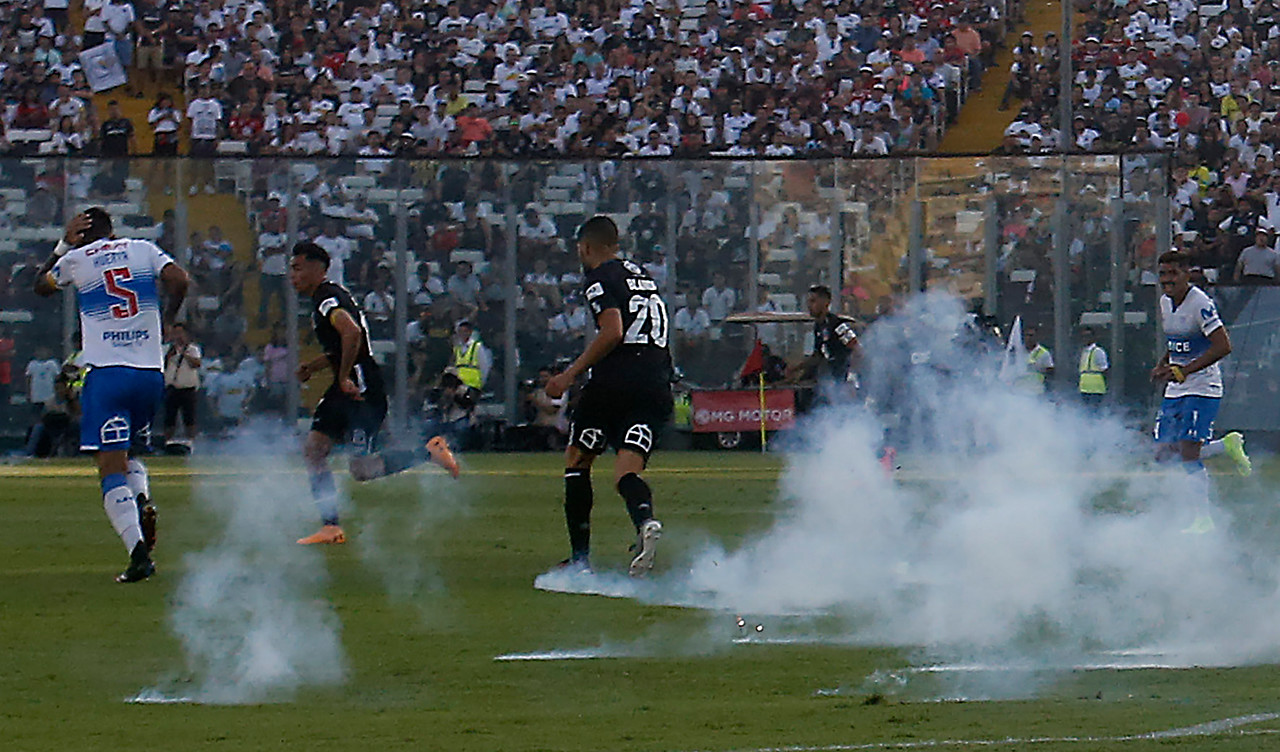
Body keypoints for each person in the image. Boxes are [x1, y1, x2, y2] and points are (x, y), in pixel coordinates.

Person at [33, 207, 190, 583]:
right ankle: (141, 499)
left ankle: (138, 556)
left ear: (81, 234)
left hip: (107, 375)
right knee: (130, 452)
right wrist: (169, 317)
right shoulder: (143, 249)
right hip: (149, 375)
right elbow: (180, 279)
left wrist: (61, 244)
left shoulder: (76, 258)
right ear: (112, 229)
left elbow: (40, 286)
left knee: (109, 467)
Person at [288, 242, 459, 546]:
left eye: (298, 268)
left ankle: (429, 451)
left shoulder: (327, 298)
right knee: (314, 451)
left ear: (318, 268)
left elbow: (352, 333)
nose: (292, 275)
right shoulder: (327, 296)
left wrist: (342, 378)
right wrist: (315, 367)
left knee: (361, 469)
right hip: (352, 384)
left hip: (360, 387)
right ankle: (330, 527)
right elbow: (345, 343)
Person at [545, 216, 673, 576]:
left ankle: (580, 560)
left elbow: (613, 330)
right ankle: (645, 522)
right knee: (626, 471)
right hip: (656, 380)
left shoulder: (599, 277)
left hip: (616, 380)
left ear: (586, 247)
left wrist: (570, 375)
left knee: (578, 459)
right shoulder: (643, 276)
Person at [1150, 250, 1248, 534]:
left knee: (1189, 452)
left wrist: (1184, 371)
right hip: (1176, 387)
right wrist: (1163, 365)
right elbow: (1177, 343)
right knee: (1163, 453)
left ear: (1186, 274)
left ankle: (1203, 519)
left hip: (1202, 387)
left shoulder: (1200, 304)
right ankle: (1225, 445)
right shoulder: (1165, 302)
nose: (1166, 280)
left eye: (1172, 274)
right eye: (1162, 275)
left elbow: (1223, 346)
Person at [787, 285, 859, 394]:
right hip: (831, 379)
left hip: (843, 380)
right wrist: (796, 369)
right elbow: (818, 356)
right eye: (808, 302)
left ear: (826, 302)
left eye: (813, 301)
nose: (809, 306)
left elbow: (857, 349)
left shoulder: (837, 324)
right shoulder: (819, 326)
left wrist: (851, 377)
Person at [162, 322, 201, 449]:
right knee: (169, 418)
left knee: (189, 418)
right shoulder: (167, 349)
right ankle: (167, 442)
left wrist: (184, 353)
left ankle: (191, 442)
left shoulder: (193, 349)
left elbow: (196, 364)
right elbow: (162, 364)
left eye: (180, 332)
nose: (177, 336)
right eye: (175, 333)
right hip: (172, 387)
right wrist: (170, 354)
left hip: (188, 388)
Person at [1077, 327, 1108, 407]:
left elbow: (1105, 369)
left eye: (1088, 336)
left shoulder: (1098, 351)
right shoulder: (1084, 351)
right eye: (1083, 336)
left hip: (1096, 389)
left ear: (1093, 338)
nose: (1085, 339)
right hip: (1084, 388)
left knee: (1094, 412)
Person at [1019, 324, 1053, 393]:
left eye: (1031, 335)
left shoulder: (1044, 353)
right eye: (1026, 335)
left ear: (1036, 337)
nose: (1029, 338)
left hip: (1037, 391)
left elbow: (1050, 372)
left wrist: (1037, 368)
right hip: (1020, 391)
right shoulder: (1018, 351)